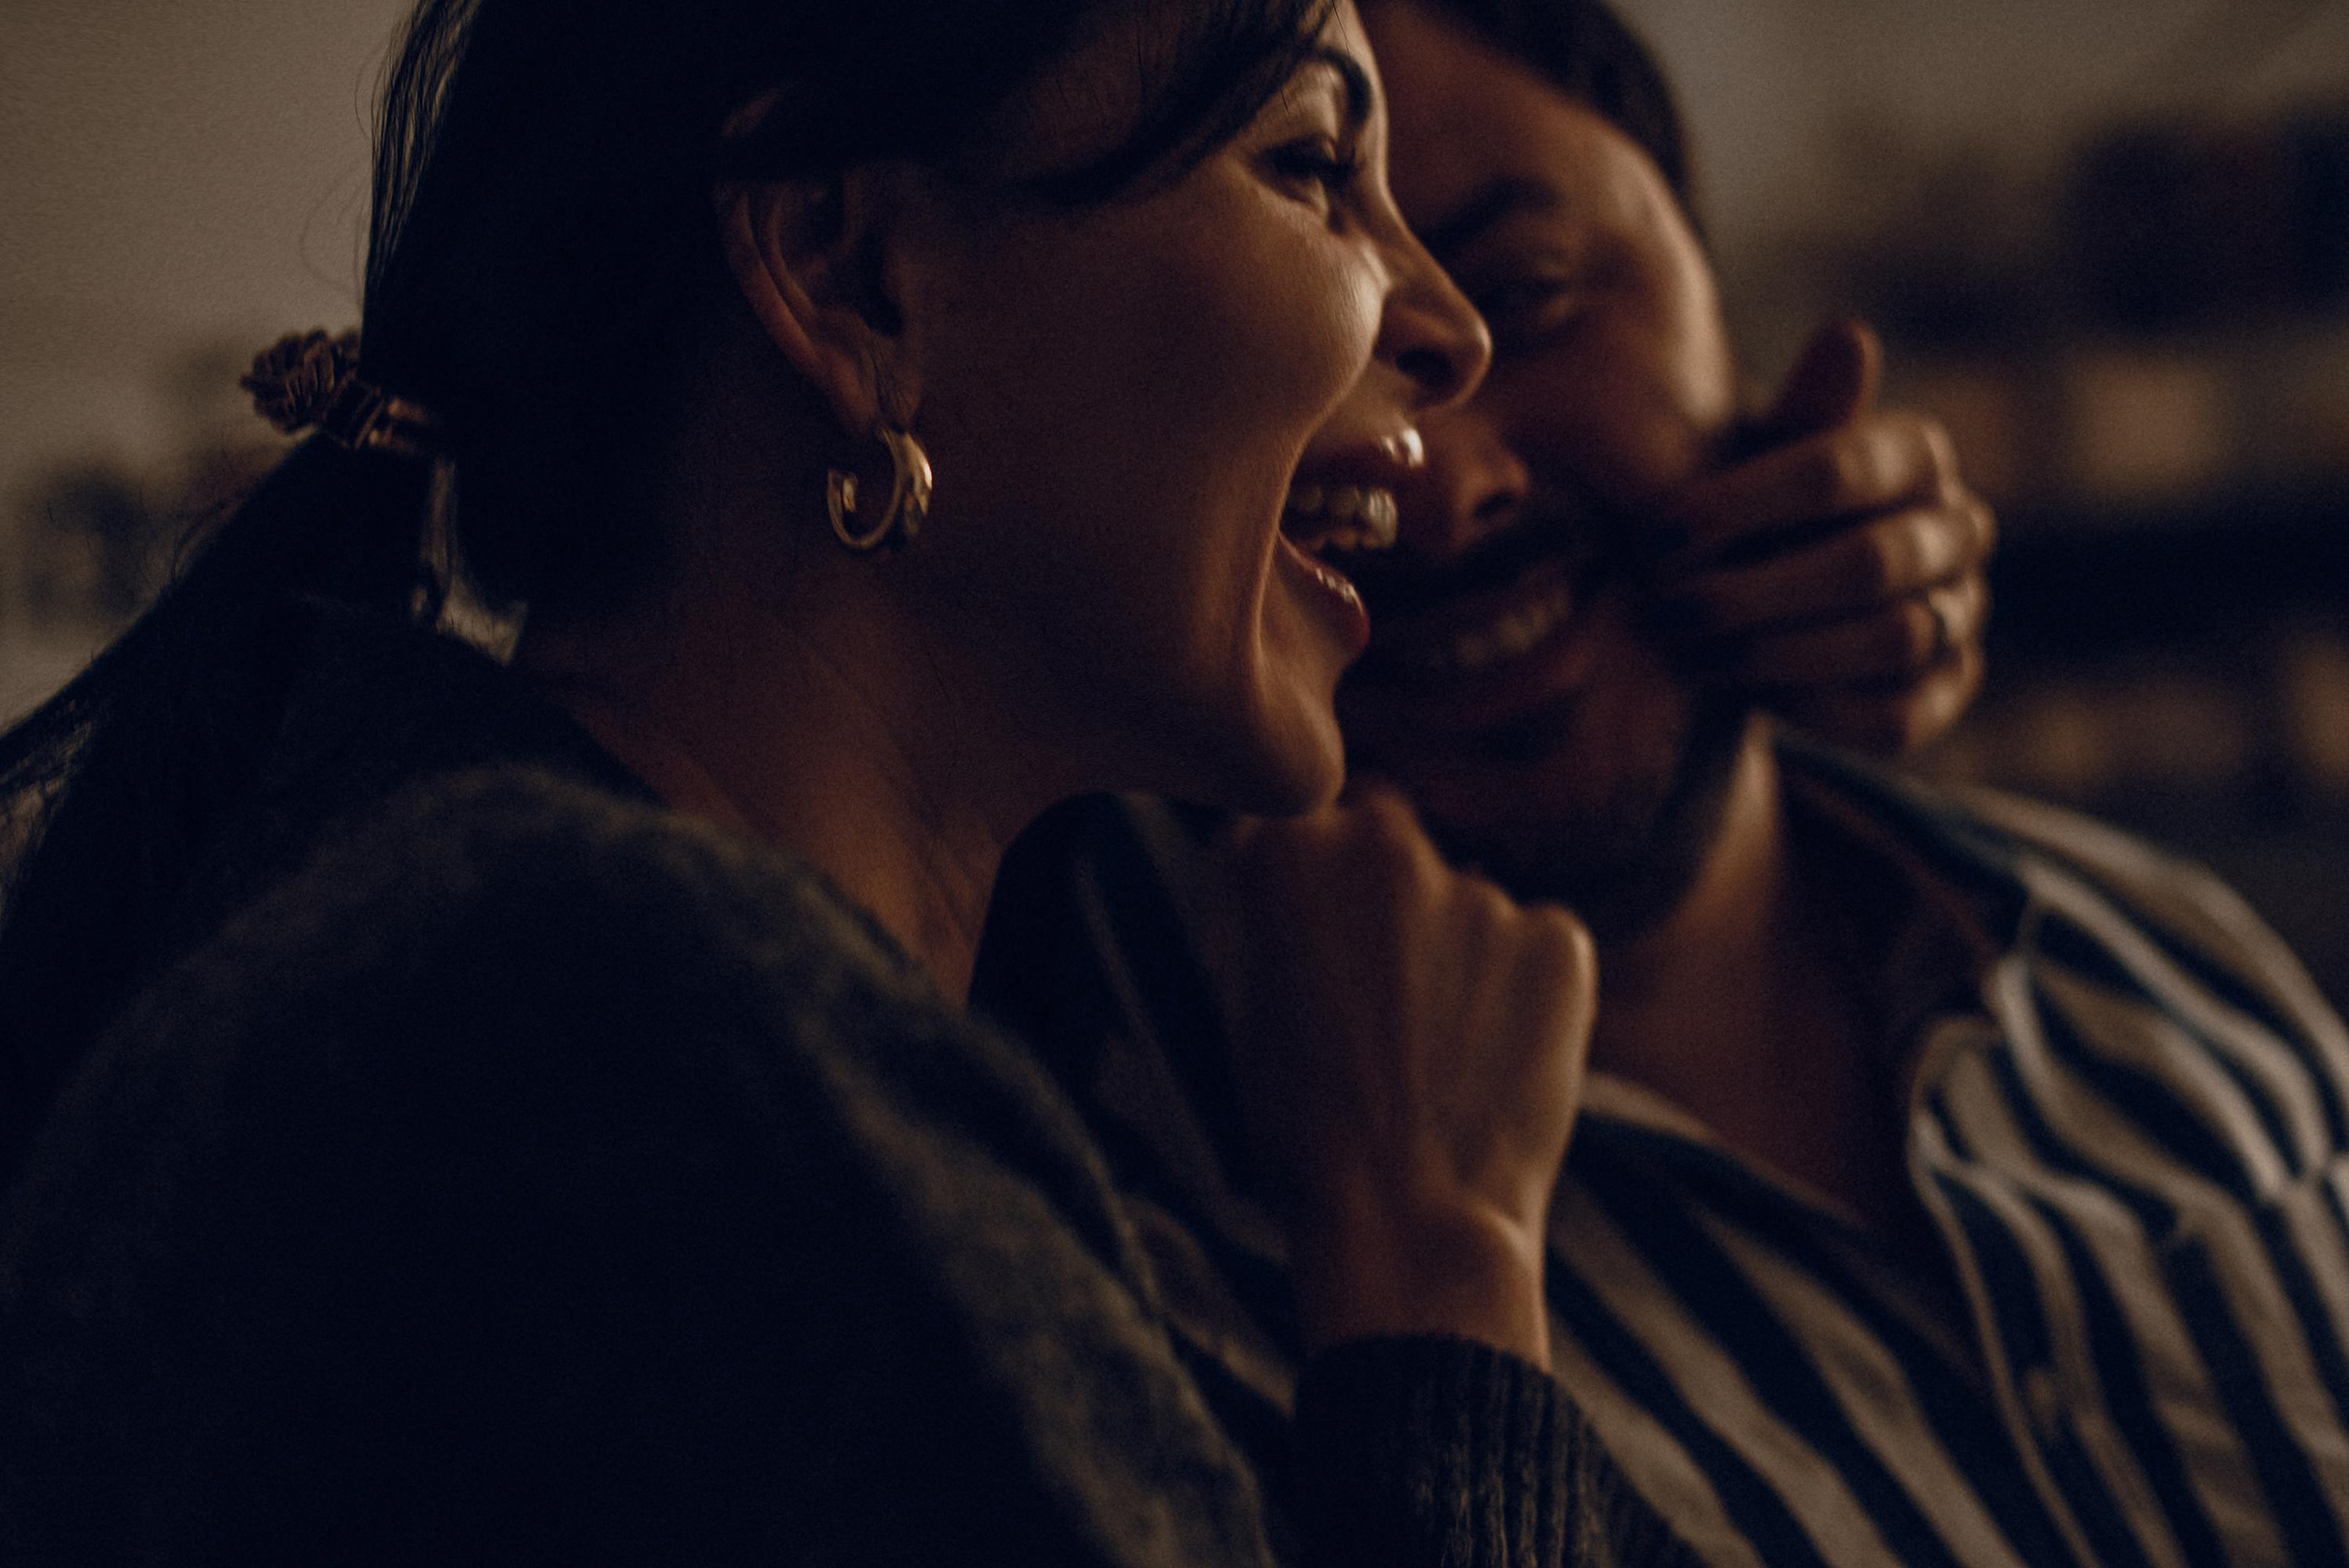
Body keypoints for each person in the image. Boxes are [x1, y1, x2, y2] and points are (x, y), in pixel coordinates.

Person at [0, 0, 1677, 1562]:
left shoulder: (489, 934)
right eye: (1315, 167)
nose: (1446, 328)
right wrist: (1445, 1278)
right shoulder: (641, 1025)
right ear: (851, 279)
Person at [974, 1, 2349, 1564]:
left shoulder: (2157, 958)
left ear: (1728, 300)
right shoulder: (1150, 1266)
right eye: (1319, 357)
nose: (1449, 491)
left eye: (1534, 297)